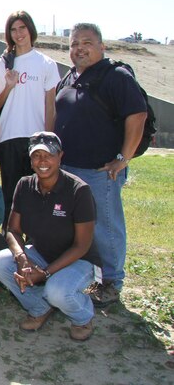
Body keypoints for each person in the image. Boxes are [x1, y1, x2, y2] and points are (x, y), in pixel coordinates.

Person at [54, 22, 147, 307]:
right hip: (68, 169)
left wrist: (123, 158)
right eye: (74, 44)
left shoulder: (115, 76)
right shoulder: (69, 77)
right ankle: (86, 275)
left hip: (99, 171)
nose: (79, 48)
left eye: (87, 42)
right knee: (77, 227)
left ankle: (111, 281)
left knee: (105, 227)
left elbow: (138, 115)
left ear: (101, 47)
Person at [0, 132, 99, 341]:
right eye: (36, 156)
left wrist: (46, 273)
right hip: (41, 252)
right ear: (30, 160)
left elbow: (82, 245)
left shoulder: (79, 190)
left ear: (60, 157)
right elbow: (13, 230)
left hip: (79, 260)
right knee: (0, 262)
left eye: (49, 155)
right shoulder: (24, 185)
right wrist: (22, 260)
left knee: (56, 290)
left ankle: (82, 317)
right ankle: (40, 308)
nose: (42, 161)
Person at [0, 10, 60, 226]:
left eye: (22, 28)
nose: (18, 33)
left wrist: (49, 141)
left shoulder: (47, 64)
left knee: (39, 193)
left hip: (36, 140)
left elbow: (50, 106)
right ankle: (9, 241)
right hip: (9, 138)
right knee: (11, 193)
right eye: (13, 29)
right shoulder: (2, 64)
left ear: (30, 30)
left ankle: (37, 243)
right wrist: (9, 86)